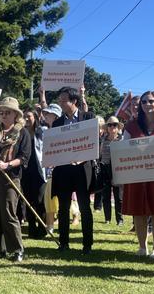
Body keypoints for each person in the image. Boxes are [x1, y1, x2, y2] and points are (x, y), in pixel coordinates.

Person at [122, 91, 154, 258]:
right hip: (136, 174)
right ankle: (142, 247)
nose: (147, 104)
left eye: (151, 101)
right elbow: (124, 149)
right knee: (139, 212)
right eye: (144, 102)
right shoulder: (131, 126)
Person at [0, 97, 31, 262]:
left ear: (15, 115)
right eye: (1, 112)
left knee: (8, 213)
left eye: (7, 112)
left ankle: (18, 249)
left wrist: (7, 165)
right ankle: (1, 248)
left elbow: (24, 157)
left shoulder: (22, 133)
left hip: (11, 178)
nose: (3, 115)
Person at [51, 87, 96, 254]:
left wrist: (82, 158)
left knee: (84, 207)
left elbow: (94, 143)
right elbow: (54, 146)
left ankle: (87, 245)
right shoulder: (56, 123)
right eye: (60, 100)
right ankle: (63, 243)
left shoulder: (88, 118)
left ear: (74, 101)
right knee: (63, 208)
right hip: (63, 170)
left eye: (64, 100)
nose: (60, 103)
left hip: (83, 169)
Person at [20, 107, 48, 239]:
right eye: (24, 116)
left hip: (39, 171)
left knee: (39, 200)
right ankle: (31, 228)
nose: (26, 119)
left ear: (35, 118)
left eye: (29, 116)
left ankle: (42, 228)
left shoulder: (42, 131)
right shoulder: (21, 133)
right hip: (25, 171)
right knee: (28, 200)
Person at [40, 104, 61, 233]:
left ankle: (61, 224)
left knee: (60, 200)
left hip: (61, 168)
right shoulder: (43, 131)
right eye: (45, 113)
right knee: (49, 198)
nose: (46, 115)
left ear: (56, 116)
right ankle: (50, 225)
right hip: (47, 169)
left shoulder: (63, 130)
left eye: (49, 113)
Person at [99, 116, 124, 225]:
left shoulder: (122, 139)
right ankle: (107, 219)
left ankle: (119, 220)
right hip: (104, 168)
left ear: (118, 127)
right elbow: (99, 155)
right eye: (109, 125)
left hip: (117, 169)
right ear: (107, 127)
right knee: (106, 196)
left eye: (114, 125)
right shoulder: (103, 140)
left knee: (118, 196)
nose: (112, 127)